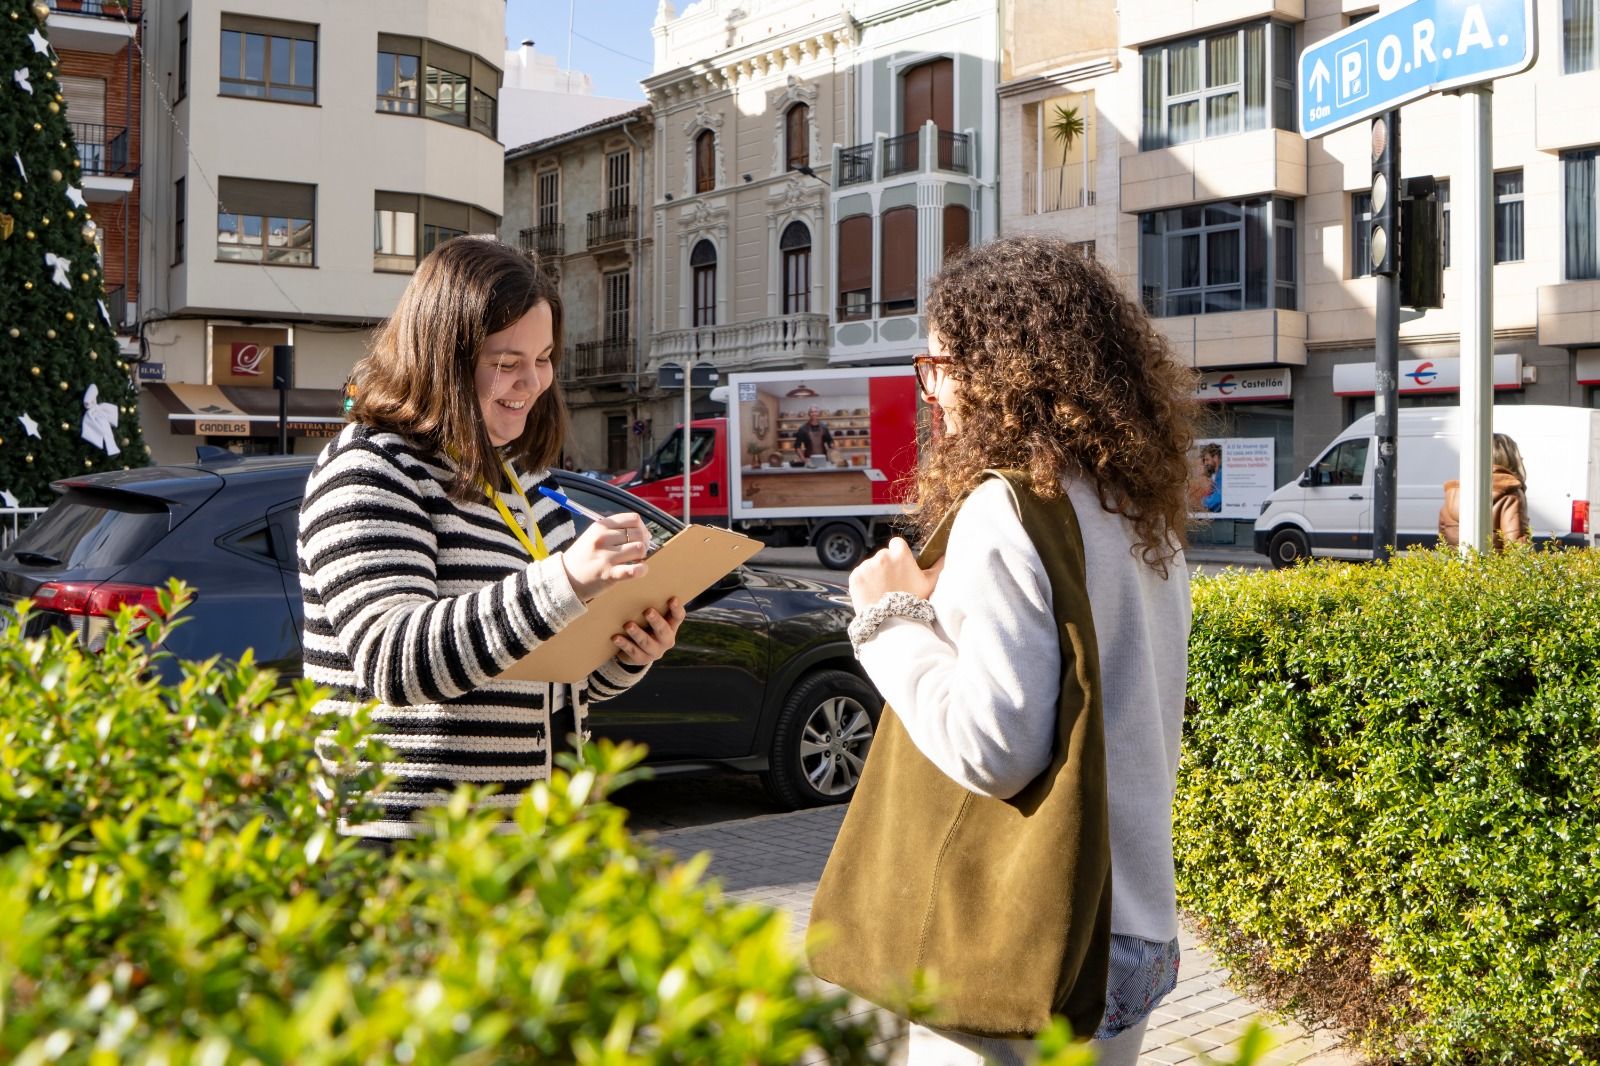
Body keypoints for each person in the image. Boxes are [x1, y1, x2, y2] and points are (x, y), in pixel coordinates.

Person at [828, 235, 1197, 1065]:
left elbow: (995, 747)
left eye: (939, 363)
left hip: (1033, 931)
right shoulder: (1140, 508)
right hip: (1135, 928)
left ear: (994, 368)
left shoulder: (1008, 511)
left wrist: (888, 618)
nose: (934, 392)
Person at [297, 236, 686, 840]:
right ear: (442, 357)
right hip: (406, 854)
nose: (531, 383)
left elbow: (551, 678)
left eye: (545, 358)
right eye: (507, 363)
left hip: (524, 852)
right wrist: (565, 580)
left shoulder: (524, 481)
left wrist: (629, 651)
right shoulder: (370, 468)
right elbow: (395, 662)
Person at [1438, 431, 1531, 549]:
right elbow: (1517, 547)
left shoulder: (1454, 493)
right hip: (1495, 566)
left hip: (1459, 565)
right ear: (1512, 458)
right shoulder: (1510, 493)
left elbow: (1444, 540)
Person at [1199, 442, 1223, 513]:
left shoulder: (1222, 474)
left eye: (1207, 460)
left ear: (1215, 458)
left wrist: (1202, 502)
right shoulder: (1215, 475)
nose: (1205, 463)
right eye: (1204, 460)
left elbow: (1219, 496)